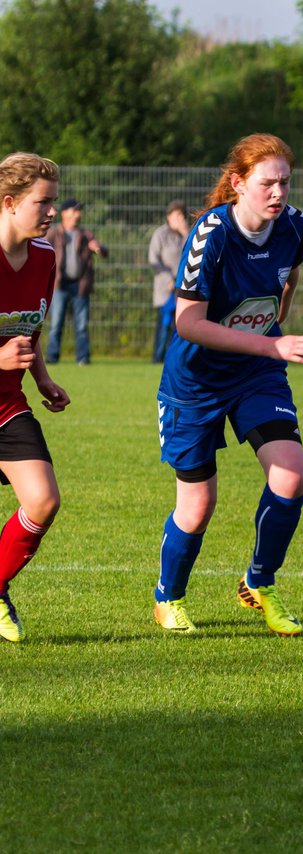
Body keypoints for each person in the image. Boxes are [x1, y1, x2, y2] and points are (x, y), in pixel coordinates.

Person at [152, 133, 303, 636]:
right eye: (267, 183)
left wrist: (274, 333)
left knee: (290, 474)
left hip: (255, 373)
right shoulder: (212, 232)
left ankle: (259, 583)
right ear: (238, 183)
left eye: (285, 182)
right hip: (197, 381)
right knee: (198, 505)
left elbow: (288, 280)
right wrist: (274, 344)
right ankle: (169, 597)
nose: (278, 193)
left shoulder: (295, 226)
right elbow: (187, 322)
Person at [0, 153, 72, 642]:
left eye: (53, 201)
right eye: (41, 202)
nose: (51, 212)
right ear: (8, 203)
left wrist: (42, 377)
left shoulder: (44, 255)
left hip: (7, 407)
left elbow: (31, 325)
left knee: (43, 499)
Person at [44, 198, 107, 365]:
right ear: (64, 213)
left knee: (81, 326)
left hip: (80, 286)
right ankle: (51, 358)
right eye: (74, 210)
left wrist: (98, 249)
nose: (78, 214)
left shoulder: (86, 235)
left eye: (79, 211)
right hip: (59, 285)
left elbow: (104, 253)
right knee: (56, 324)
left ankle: (83, 358)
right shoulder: (54, 233)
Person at [148, 199, 189, 363]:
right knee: (164, 325)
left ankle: (175, 359)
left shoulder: (188, 234)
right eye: (174, 215)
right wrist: (169, 279)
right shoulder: (160, 234)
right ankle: (157, 358)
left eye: (181, 215)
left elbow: (193, 254)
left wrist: (186, 232)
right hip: (165, 289)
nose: (178, 219)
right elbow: (153, 260)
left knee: (180, 326)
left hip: (183, 289)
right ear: (168, 216)